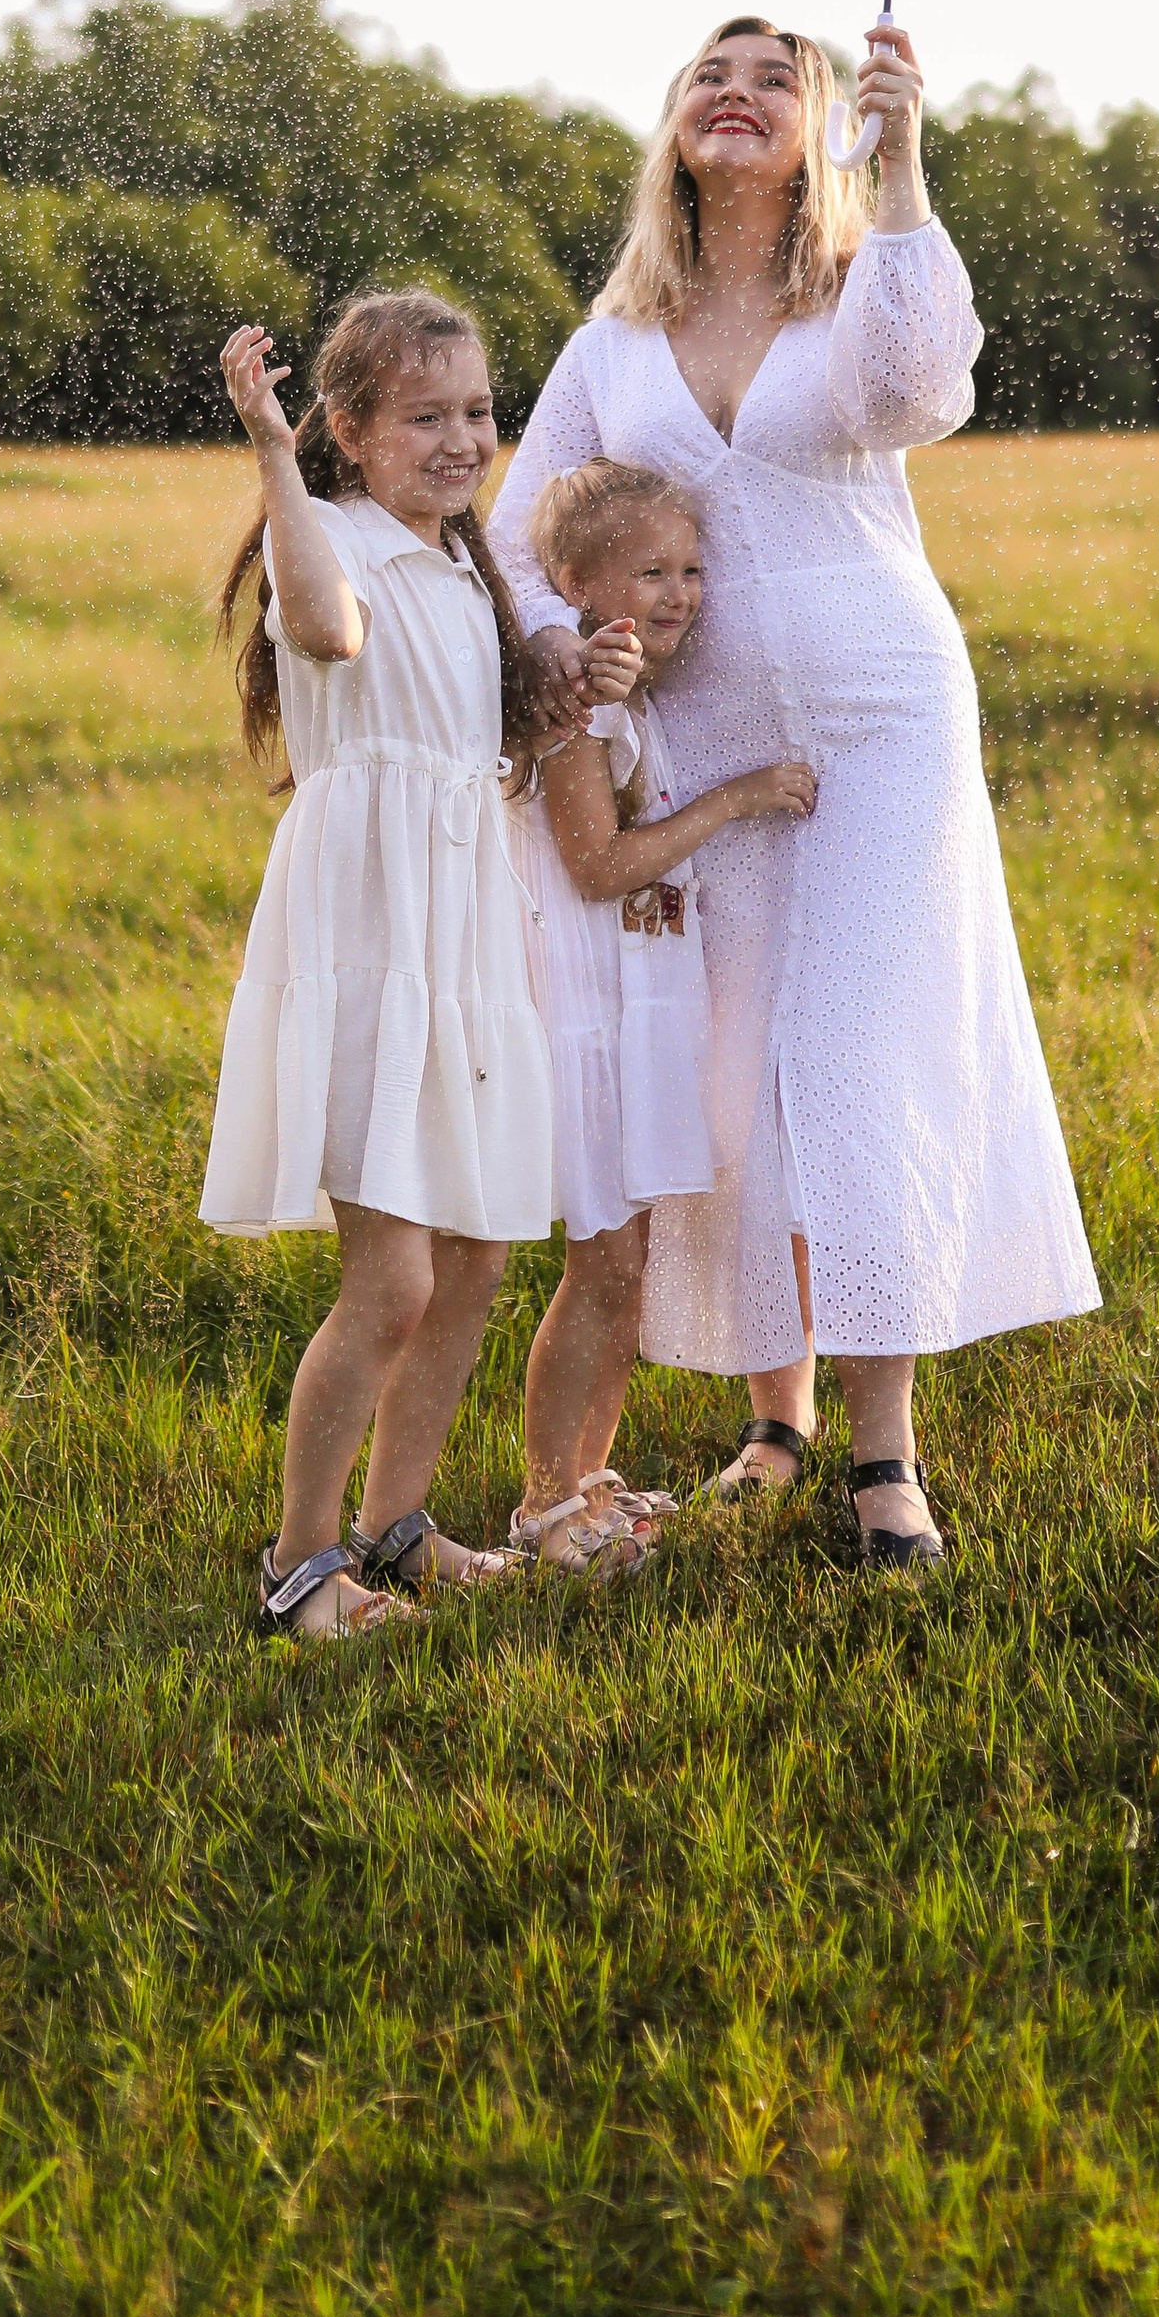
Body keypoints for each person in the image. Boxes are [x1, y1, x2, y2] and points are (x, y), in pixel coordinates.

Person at [491, 17, 1100, 1566]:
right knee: (740, 1069)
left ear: (822, 126)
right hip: (702, 751)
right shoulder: (614, 339)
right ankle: (779, 1416)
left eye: (779, 79)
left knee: (862, 1058)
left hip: (882, 727)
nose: (740, 94)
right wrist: (575, 655)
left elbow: (918, 394)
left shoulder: (863, 291)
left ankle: (885, 1454)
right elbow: (516, 537)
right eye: (713, 74)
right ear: (676, 130)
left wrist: (901, 170)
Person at [201, 287, 619, 1641]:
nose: (460, 440)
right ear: (351, 432)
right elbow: (326, 635)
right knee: (391, 1279)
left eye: (479, 414)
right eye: (424, 417)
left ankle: (399, 1524)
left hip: (467, 937)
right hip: (375, 941)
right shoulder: (328, 538)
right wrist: (273, 455)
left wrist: (587, 677)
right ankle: (301, 1567)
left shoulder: (462, 566)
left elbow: (490, 747)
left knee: (480, 1251)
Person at [510, 456, 817, 1575]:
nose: (681, 592)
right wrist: (735, 801)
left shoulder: (627, 695)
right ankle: (549, 1509)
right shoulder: (577, 707)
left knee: (623, 1273)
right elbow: (595, 865)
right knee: (597, 1271)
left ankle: (587, 1487)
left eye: (691, 568)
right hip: (586, 1019)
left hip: (634, 1014)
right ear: (574, 581)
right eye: (651, 571)